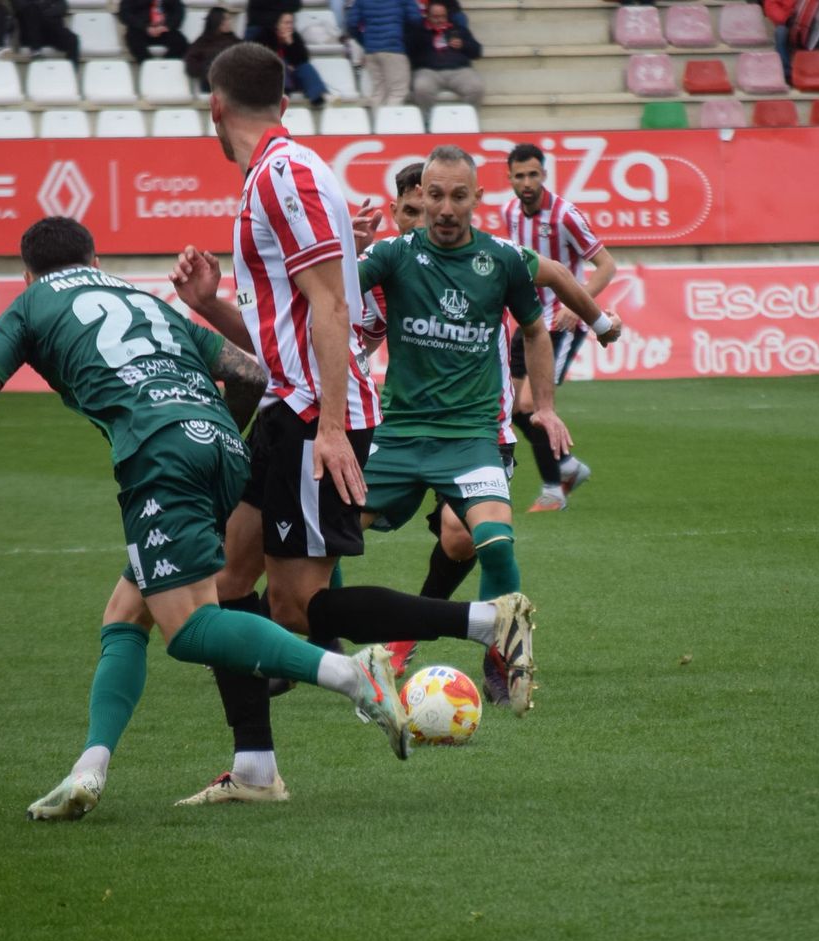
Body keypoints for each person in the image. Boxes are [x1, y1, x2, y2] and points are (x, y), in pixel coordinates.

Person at [0, 217, 412, 821]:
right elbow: (250, 374)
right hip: (221, 445)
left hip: (159, 456)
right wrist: (212, 438)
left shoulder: (28, 306)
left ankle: (351, 673)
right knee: (125, 613)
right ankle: (88, 769)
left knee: (188, 632)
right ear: (95, 260)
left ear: (27, 275)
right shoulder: (136, 295)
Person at [166, 43, 537, 803]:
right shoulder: (279, 174)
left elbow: (334, 308)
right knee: (229, 580)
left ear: (214, 106)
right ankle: (255, 770)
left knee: (301, 607)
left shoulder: (285, 175)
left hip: (309, 416)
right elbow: (292, 328)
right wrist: (210, 307)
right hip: (286, 407)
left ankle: (483, 622)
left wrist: (331, 426)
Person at [360, 163, 622, 681]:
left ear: (473, 198)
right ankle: (323, 641)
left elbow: (556, 285)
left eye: (452, 198)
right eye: (420, 205)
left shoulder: (497, 258)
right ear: (397, 211)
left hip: (480, 429)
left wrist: (599, 323)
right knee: (322, 534)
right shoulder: (387, 260)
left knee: (464, 537)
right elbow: (334, 307)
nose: (438, 212)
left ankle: (488, 656)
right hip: (404, 429)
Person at [502, 143, 615, 513]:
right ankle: (566, 465)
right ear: (511, 179)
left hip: (562, 322)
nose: (527, 182)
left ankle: (554, 489)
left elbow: (606, 265)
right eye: (520, 176)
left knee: (534, 403)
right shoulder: (510, 213)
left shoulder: (565, 215)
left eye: (533, 174)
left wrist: (576, 301)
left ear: (544, 175)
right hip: (529, 320)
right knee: (511, 406)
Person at [407, 0, 484, 107]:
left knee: (476, 88)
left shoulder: (457, 29)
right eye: (435, 17)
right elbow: (410, 51)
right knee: (421, 88)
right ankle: (427, 120)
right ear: (428, 16)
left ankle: (466, 119)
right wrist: (425, 35)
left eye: (443, 16)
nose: (439, 20)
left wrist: (463, 45)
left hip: (459, 70)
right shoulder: (418, 30)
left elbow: (477, 52)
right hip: (428, 71)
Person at [347, 0, 422, 105]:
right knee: (398, 92)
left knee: (379, 93)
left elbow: (351, 24)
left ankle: (378, 120)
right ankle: (389, 121)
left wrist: (365, 42)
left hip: (371, 51)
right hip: (395, 49)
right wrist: (405, 40)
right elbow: (416, 20)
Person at [765, 0, 819, 86]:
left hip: (812, 22)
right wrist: (786, 19)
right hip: (788, 22)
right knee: (780, 33)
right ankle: (787, 74)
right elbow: (771, 6)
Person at [269, 10, 331, 106]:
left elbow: (303, 58)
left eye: (291, 23)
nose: (289, 26)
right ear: (277, 24)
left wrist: (290, 44)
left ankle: (317, 95)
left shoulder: (295, 36)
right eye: (286, 23)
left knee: (305, 67)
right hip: (273, 80)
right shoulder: (266, 36)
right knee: (280, 62)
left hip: (293, 76)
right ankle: (283, 94)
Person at [184, 7, 241, 91]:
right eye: (225, 20)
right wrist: (209, 71)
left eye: (229, 19)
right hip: (211, 84)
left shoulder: (236, 42)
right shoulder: (202, 42)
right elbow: (191, 64)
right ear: (217, 21)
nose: (229, 22)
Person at [120, 0, 188, 63]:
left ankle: (165, 66)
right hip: (140, 30)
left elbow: (178, 10)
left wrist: (167, 26)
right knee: (134, 40)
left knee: (180, 42)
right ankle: (148, 67)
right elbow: (125, 14)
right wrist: (145, 27)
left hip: (164, 30)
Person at [15, 0, 81, 62]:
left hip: (52, 31)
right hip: (30, 35)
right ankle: (35, 51)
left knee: (72, 39)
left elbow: (62, 8)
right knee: (31, 9)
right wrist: (47, 6)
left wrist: (41, 12)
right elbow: (20, 7)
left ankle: (72, 70)